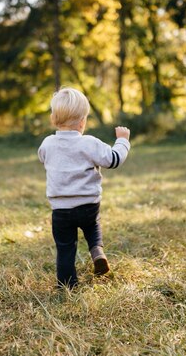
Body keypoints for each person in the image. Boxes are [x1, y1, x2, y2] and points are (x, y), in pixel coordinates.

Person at [38, 88, 131, 289]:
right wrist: (122, 140)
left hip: (61, 210)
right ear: (83, 121)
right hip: (88, 205)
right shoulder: (89, 143)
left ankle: (66, 285)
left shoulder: (48, 144)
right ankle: (97, 250)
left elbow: (42, 157)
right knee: (92, 226)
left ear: (54, 119)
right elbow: (113, 160)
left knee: (65, 248)